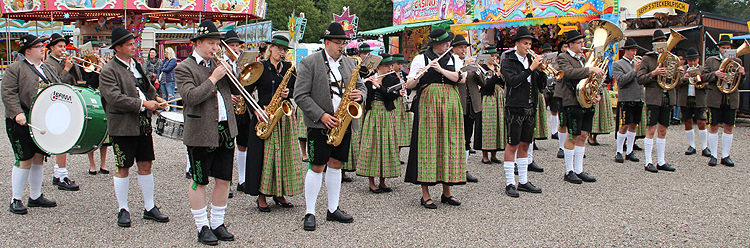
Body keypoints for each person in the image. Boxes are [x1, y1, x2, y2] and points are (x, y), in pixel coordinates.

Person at [294, 22, 365, 231]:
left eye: (343, 42)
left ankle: (333, 209)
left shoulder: (351, 64)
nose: (341, 46)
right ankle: (310, 212)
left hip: (343, 122)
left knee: (336, 164)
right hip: (320, 124)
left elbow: (360, 86)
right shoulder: (309, 62)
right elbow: (300, 95)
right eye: (337, 42)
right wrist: (321, 115)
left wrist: (361, 95)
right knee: (316, 166)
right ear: (326, 42)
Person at [99, 27, 169, 228]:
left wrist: (155, 97)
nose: (134, 47)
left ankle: (149, 207)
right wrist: (142, 104)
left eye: (134, 43)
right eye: (129, 44)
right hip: (122, 125)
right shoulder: (109, 70)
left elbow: (146, 87)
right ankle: (123, 209)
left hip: (143, 124)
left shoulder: (136, 65)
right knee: (123, 167)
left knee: (146, 164)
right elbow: (114, 98)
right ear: (118, 48)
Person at [175, 21, 237, 245]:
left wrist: (230, 71)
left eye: (217, 43)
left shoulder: (218, 64)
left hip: (225, 129)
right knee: (199, 180)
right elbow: (190, 97)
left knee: (223, 179)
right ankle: (202, 226)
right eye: (211, 43)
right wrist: (214, 78)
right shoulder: (184, 68)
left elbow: (237, 87)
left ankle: (218, 222)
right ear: (198, 42)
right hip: (200, 131)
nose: (215, 47)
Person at [404, 28, 466, 209]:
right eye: (445, 43)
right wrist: (419, 75)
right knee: (428, 145)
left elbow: (460, 78)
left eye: (449, 43)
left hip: (451, 103)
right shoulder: (420, 58)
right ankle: (425, 194)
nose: (448, 45)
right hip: (429, 104)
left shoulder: (453, 58)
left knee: (450, 143)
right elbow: (409, 84)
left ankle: (447, 192)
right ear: (436, 44)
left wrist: (440, 70)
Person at [242, 35, 303, 211]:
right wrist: (255, 110)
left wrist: (288, 92)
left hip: (283, 115)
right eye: (279, 49)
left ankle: (279, 193)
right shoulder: (260, 67)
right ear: (271, 48)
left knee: (283, 155)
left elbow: (298, 90)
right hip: (264, 115)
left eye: (284, 50)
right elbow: (246, 92)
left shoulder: (288, 68)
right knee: (263, 157)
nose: (282, 53)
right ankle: (261, 195)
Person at [3, 34, 59, 215]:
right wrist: (17, 112)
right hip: (21, 120)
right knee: (24, 158)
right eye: (38, 47)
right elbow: (8, 93)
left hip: (41, 119)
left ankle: (35, 196)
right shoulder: (15, 68)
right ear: (28, 51)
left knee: (38, 157)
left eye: (42, 46)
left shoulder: (47, 68)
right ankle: (16, 199)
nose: (43, 49)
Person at [500, 27, 547, 197]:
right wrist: (531, 69)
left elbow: (541, 86)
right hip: (514, 106)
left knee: (526, 144)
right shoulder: (508, 60)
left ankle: (524, 181)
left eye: (530, 43)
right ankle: (510, 182)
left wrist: (541, 71)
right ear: (517, 43)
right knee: (512, 144)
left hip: (530, 106)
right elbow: (512, 82)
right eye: (525, 43)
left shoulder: (531, 60)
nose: (528, 46)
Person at [557, 29, 604, 184]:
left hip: (585, 100)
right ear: (570, 44)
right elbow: (569, 73)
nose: (583, 45)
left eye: (583, 42)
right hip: (572, 100)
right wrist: (590, 69)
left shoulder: (583, 58)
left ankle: (579, 170)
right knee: (573, 135)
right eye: (579, 43)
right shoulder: (563, 57)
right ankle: (568, 171)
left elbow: (590, 80)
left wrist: (596, 93)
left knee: (583, 135)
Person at [354, 53, 401, 193]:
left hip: (386, 114)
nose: (389, 68)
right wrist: (366, 83)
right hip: (373, 114)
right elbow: (363, 97)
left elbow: (392, 95)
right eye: (387, 66)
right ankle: (371, 182)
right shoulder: (370, 79)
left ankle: (383, 181)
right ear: (379, 66)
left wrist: (378, 86)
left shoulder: (392, 79)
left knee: (385, 146)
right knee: (372, 146)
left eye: (390, 66)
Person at [637, 30, 679, 173]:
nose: (662, 44)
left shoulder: (672, 58)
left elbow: (677, 81)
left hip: (668, 96)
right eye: (659, 42)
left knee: (663, 129)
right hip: (654, 97)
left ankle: (661, 161)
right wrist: (654, 73)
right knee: (651, 129)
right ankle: (648, 161)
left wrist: (677, 72)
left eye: (664, 41)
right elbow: (640, 78)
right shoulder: (647, 59)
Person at [43, 33, 79, 191]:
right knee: (62, 141)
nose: (63, 49)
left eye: (64, 46)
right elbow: (56, 85)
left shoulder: (64, 61)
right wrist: (66, 68)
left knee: (65, 140)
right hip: (56, 105)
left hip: (67, 103)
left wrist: (73, 66)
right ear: (51, 48)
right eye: (60, 47)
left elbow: (77, 79)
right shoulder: (47, 64)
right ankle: (61, 176)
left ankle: (59, 174)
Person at [701, 35, 744, 167]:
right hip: (715, 97)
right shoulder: (711, 61)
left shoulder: (737, 61)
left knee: (728, 126)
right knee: (713, 126)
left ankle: (725, 155)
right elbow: (702, 76)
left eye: (728, 48)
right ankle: (713, 155)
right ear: (719, 49)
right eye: (724, 48)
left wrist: (742, 74)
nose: (726, 50)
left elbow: (739, 82)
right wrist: (715, 74)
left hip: (731, 97)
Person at [451, 34, 479, 182]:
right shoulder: (452, 62)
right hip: (458, 104)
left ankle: (465, 168)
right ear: (454, 48)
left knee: (468, 137)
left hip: (472, 104)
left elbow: (483, 82)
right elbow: (457, 78)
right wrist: (465, 66)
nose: (463, 50)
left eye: (465, 47)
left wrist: (476, 68)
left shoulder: (471, 62)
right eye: (461, 47)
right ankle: (457, 167)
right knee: (457, 137)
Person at [612, 38, 643, 163]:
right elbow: (621, 81)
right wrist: (635, 70)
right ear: (626, 51)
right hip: (626, 98)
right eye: (632, 50)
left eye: (635, 50)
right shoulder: (618, 64)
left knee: (633, 125)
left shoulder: (638, 63)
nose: (634, 53)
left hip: (638, 97)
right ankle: (619, 151)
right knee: (624, 124)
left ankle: (630, 151)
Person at [221, 30, 244, 199]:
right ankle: (225, 182)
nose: (236, 48)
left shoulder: (240, 63)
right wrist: (227, 95)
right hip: (225, 108)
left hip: (240, 107)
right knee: (227, 145)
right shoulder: (220, 62)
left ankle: (242, 180)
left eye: (237, 45)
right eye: (233, 45)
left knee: (243, 143)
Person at [83, 39, 111, 175]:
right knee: (93, 132)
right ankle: (92, 164)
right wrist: (98, 69)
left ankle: (103, 163)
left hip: (103, 101)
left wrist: (103, 67)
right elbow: (90, 84)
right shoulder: (84, 66)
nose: (95, 52)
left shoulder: (102, 64)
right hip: (90, 100)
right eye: (93, 50)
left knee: (104, 135)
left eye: (96, 49)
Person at [677, 47, 709, 157]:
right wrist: (684, 78)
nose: (693, 63)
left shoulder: (703, 69)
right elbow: (676, 84)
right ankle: (692, 146)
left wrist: (700, 79)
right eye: (691, 61)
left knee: (702, 121)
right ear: (687, 61)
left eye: (694, 60)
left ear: (698, 60)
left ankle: (705, 147)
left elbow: (708, 83)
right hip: (685, 98)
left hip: (699, 98)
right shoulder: (682, 69)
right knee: (687, 122)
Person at [475, 46, 504, 164]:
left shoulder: (497, 67)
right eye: (491, 56)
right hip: (488, 98)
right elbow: (485, 85)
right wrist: (496, 76)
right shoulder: (482, 69)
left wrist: (501, 74)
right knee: (487, 126)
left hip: (499, 98)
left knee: (497, 125)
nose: (494, 58)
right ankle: (485, 155)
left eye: (495, 56)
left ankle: (494, 154)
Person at [391, 53, 413, 154]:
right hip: (394, 103)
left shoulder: (404, 74)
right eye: (398, 64)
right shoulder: (389, 75)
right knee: (394, 130)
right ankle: (394, 155)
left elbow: (409, 91)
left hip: (403, 103)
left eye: (401, 64)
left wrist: (407, 87)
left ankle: (398, 154)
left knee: (401, 130)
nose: (400, 66)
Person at [553, 42, 569, 159]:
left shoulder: (581, 58)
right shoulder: (559, 58)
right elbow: (556, 71)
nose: (566, 48)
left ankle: (573, 146)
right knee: (562, 121)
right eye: (565, 46)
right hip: (563, 93)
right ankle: (562, 147)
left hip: (576, 94)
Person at [160, 47, 178, 111]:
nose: (164, 53)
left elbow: (168, 69)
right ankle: (165, 108)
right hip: (163, 80)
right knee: (164, 96)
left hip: (170, 80)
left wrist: (163, 69)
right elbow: (160, 69)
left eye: (166, 52)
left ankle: (174, 109)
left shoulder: (173, 60)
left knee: (171, 96)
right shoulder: (164, 60)